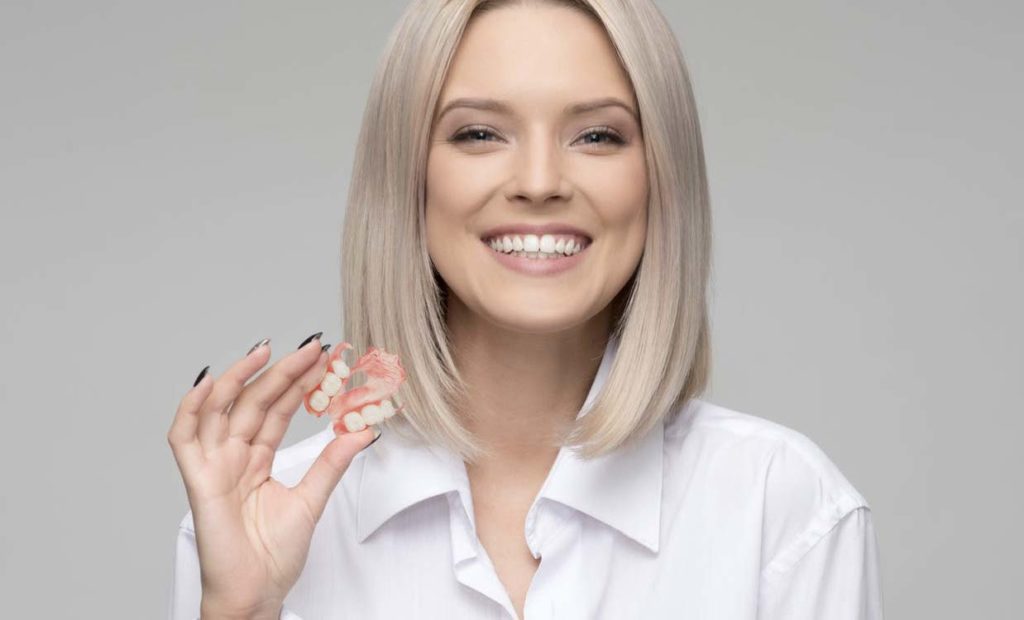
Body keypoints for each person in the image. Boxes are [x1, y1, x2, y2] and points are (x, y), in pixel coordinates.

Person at [167, 1, 884, 618]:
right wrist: (240, 612)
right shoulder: (257, 522)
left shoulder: (783, 510)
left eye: (597, 135)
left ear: (661, 178)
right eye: (479, 133)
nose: (540, 182)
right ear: (407, 177)